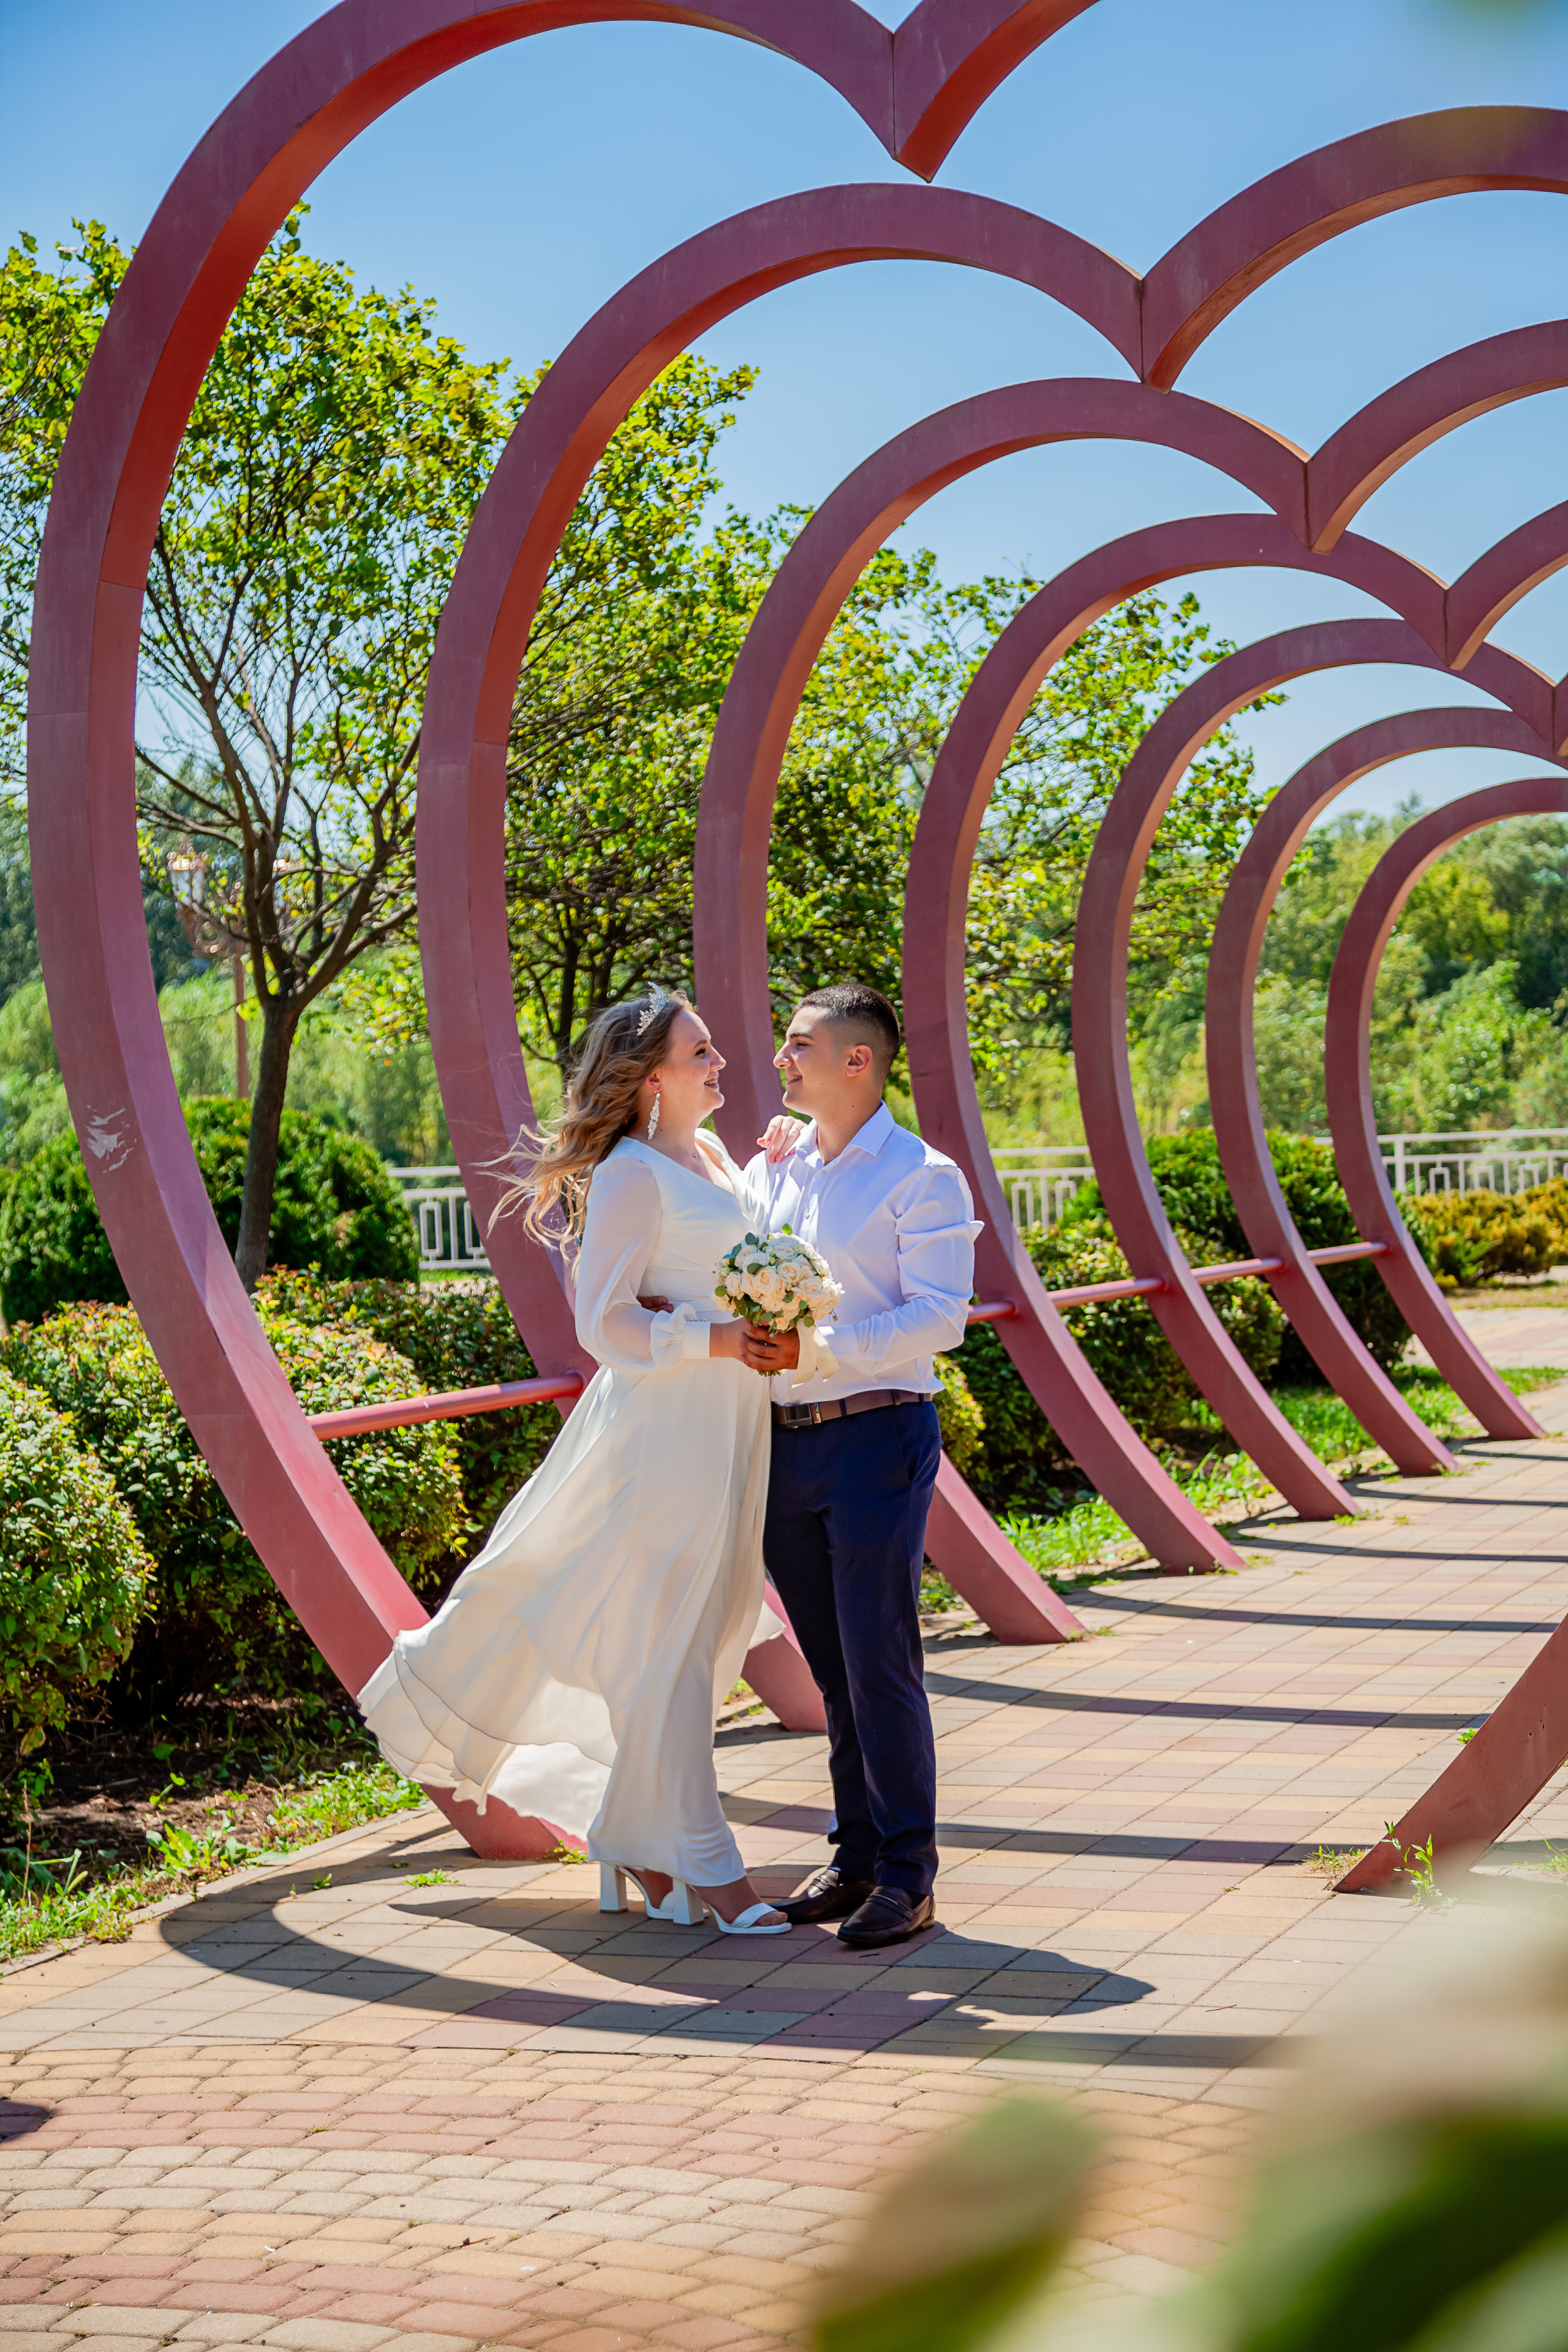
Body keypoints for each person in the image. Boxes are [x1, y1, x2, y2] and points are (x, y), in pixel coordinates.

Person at [356, 989, 790, 1934]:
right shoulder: (632, 1175)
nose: (722, 1064)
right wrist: (715, 1342)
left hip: (733, 1429)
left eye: (715, 1049)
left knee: (708, 1632)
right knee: (673, 1641)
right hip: (665, 1433)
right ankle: (704, 1863)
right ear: (649, 1081)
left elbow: (738, 1243)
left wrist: (779, 1168)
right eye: (702, 1052)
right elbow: (603, 1321)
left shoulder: (711, 1153)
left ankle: (633, 1839)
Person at [742, 983, 979, 1948]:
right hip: (782, 1447)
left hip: (878, 1435)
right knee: (834, 1668)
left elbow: (939, 1317)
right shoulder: (781, 1167)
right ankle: (854, 1858)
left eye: (800, 1045)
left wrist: (818, 1349)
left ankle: (909, 1877)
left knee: (882, 1661)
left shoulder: (924, 1175)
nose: (782, 1060)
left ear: (859, 1061)